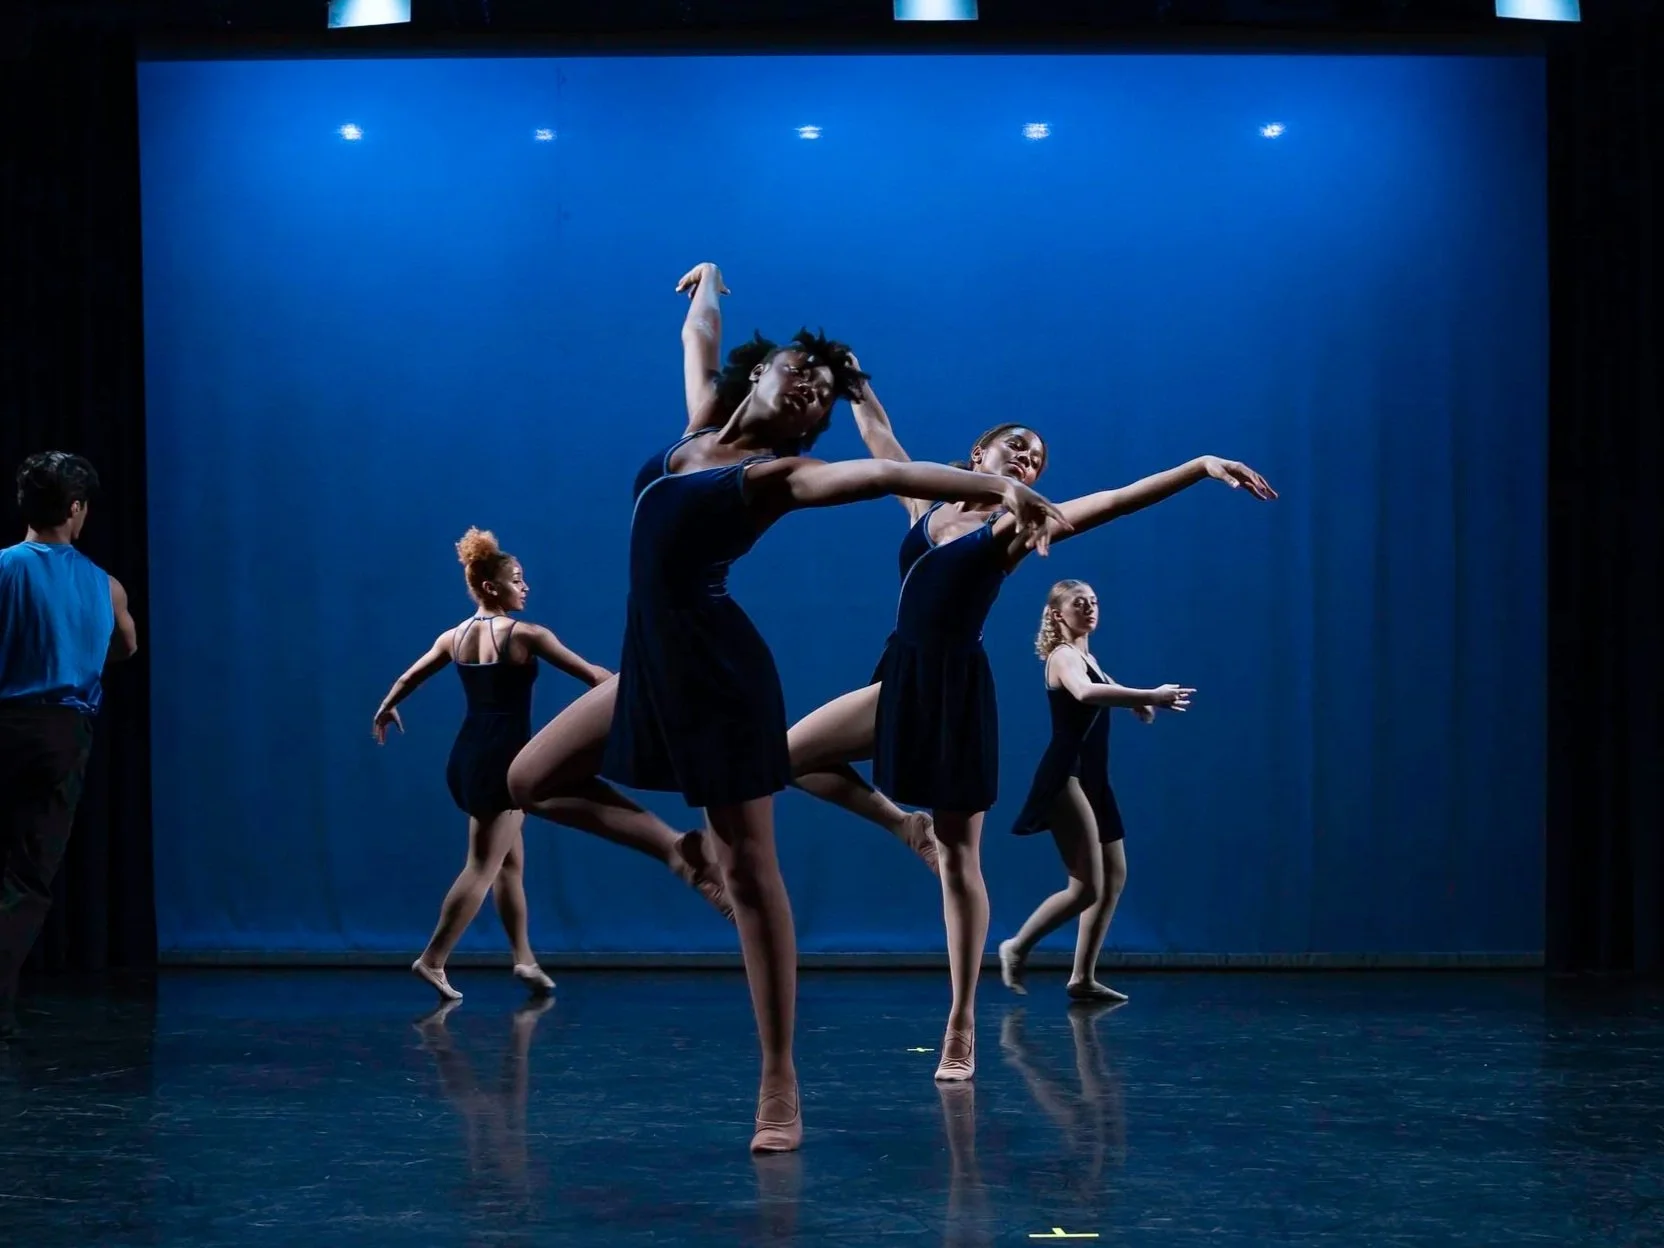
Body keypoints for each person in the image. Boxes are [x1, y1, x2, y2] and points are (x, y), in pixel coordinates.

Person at [504, 260, 1069, 1153]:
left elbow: (882, 478)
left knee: (755, 878)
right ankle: (681, 856)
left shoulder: (774, 476)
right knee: (528, 779)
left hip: (723, 680)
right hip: (648, 666)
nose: (808, 395)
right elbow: (699, 341)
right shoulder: (693, 434)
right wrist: (712, 287)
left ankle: (779, 1079)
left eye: (820, 399)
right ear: (755, 377)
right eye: (798, 376)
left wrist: (999, 487)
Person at [786, 381, 1275, 1082]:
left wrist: (1198, 466)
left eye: (1038, 460)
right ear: (977, 452)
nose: (1028, 462)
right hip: (898, 679)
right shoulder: (927, 505)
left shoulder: (1017, 527)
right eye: (1017, 447)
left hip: (955, 694)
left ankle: (961, 1025)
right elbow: (879, 436)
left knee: (960, 862)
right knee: (783, 757)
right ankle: (903, 828)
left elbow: (1114, 499)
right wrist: (854, 381)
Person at [373, 528, 613, 1002]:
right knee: (483, 866)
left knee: (508, 865)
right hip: (504, 764)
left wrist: (387, 707)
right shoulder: (527, 635)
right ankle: (433, 959)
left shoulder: (453, 637)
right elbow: (594, 677)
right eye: (518, 580)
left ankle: (523, 958)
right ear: (491, 587)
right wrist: (635, 688)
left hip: (467, 757)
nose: (526, 588)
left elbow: (408, 677)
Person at [997, 579, 1191, 1002]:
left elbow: (1101, 683)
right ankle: (1016, 946)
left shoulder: (1086, 656)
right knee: (1086, 886)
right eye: (1078, 603)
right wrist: (1149, 696)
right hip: (1066, 776)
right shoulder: (1063, 656)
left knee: (1114, 877)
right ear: (1057, 614)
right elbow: (1085, 691)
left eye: (1094, 602)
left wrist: (1134, 702)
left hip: (1093, 778)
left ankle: (1082, 978)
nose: (1089, 608)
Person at [0, 452, 138, 1041]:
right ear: (76, 509)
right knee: (26, 877)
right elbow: (126, 648)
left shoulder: (3, 569)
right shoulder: (105, 586)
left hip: (6, 720)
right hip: (62, 735)